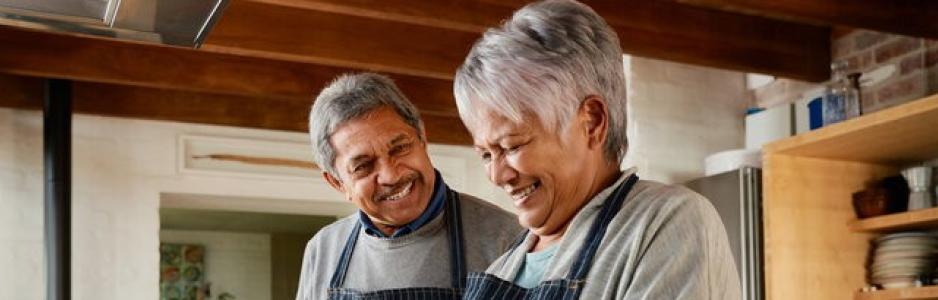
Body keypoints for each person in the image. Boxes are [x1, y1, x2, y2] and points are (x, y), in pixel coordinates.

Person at [452, 0, 741, 299]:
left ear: (592, 122)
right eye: (486, 154)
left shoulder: (664, 222)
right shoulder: (503, 266)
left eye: (512, 146)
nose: (498, 175)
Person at [297, 73, 523, 300]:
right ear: (337, 183)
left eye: (400, 148)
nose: (391, 176)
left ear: (422, 138)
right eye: (364, 166)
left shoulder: (507, 238)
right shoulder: (323, 251)